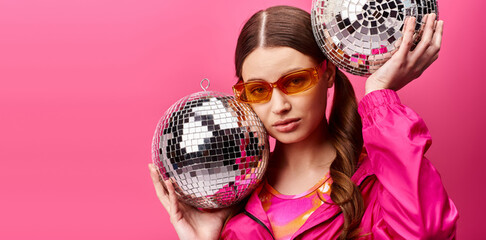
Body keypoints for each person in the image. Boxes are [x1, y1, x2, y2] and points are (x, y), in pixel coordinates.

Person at [148, 5, 458, 240]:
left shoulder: (375, 181)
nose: (279, 106)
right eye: (259, 90)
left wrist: (379, 95)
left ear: (328, 73)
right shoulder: (237, 211)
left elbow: (425, 231)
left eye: (295, 81)